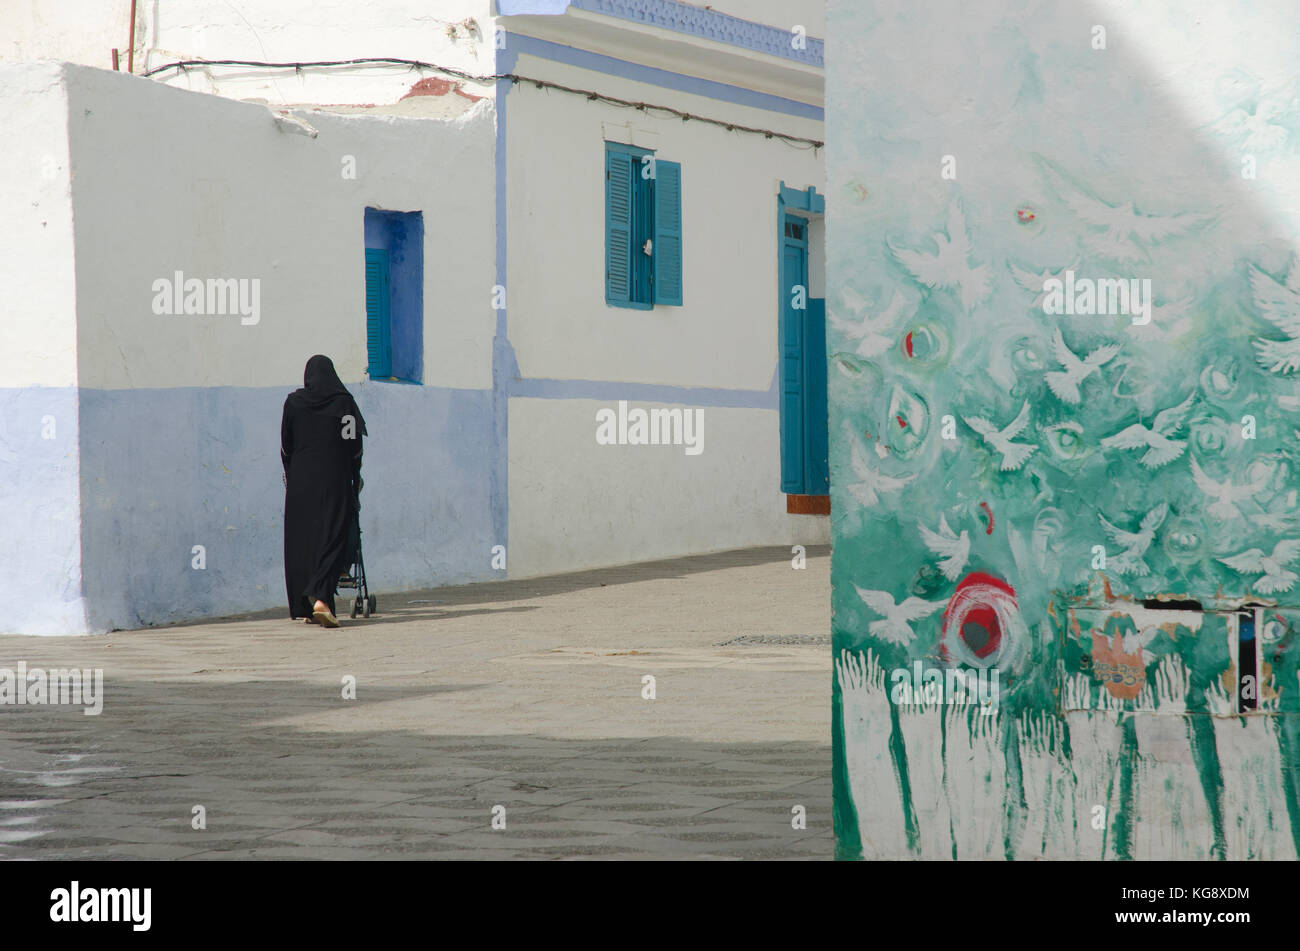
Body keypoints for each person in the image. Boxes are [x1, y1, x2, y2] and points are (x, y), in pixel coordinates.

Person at [280, 355, 366, 627]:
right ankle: (321, 600)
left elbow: (286, 446)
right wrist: (354, 477)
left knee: (303, 541)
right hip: (334, 480)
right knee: (332, 536)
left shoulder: (293, 403)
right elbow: (354, 447)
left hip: (301, 484)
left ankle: (306, 604)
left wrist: (291, 476)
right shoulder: (344, 403)